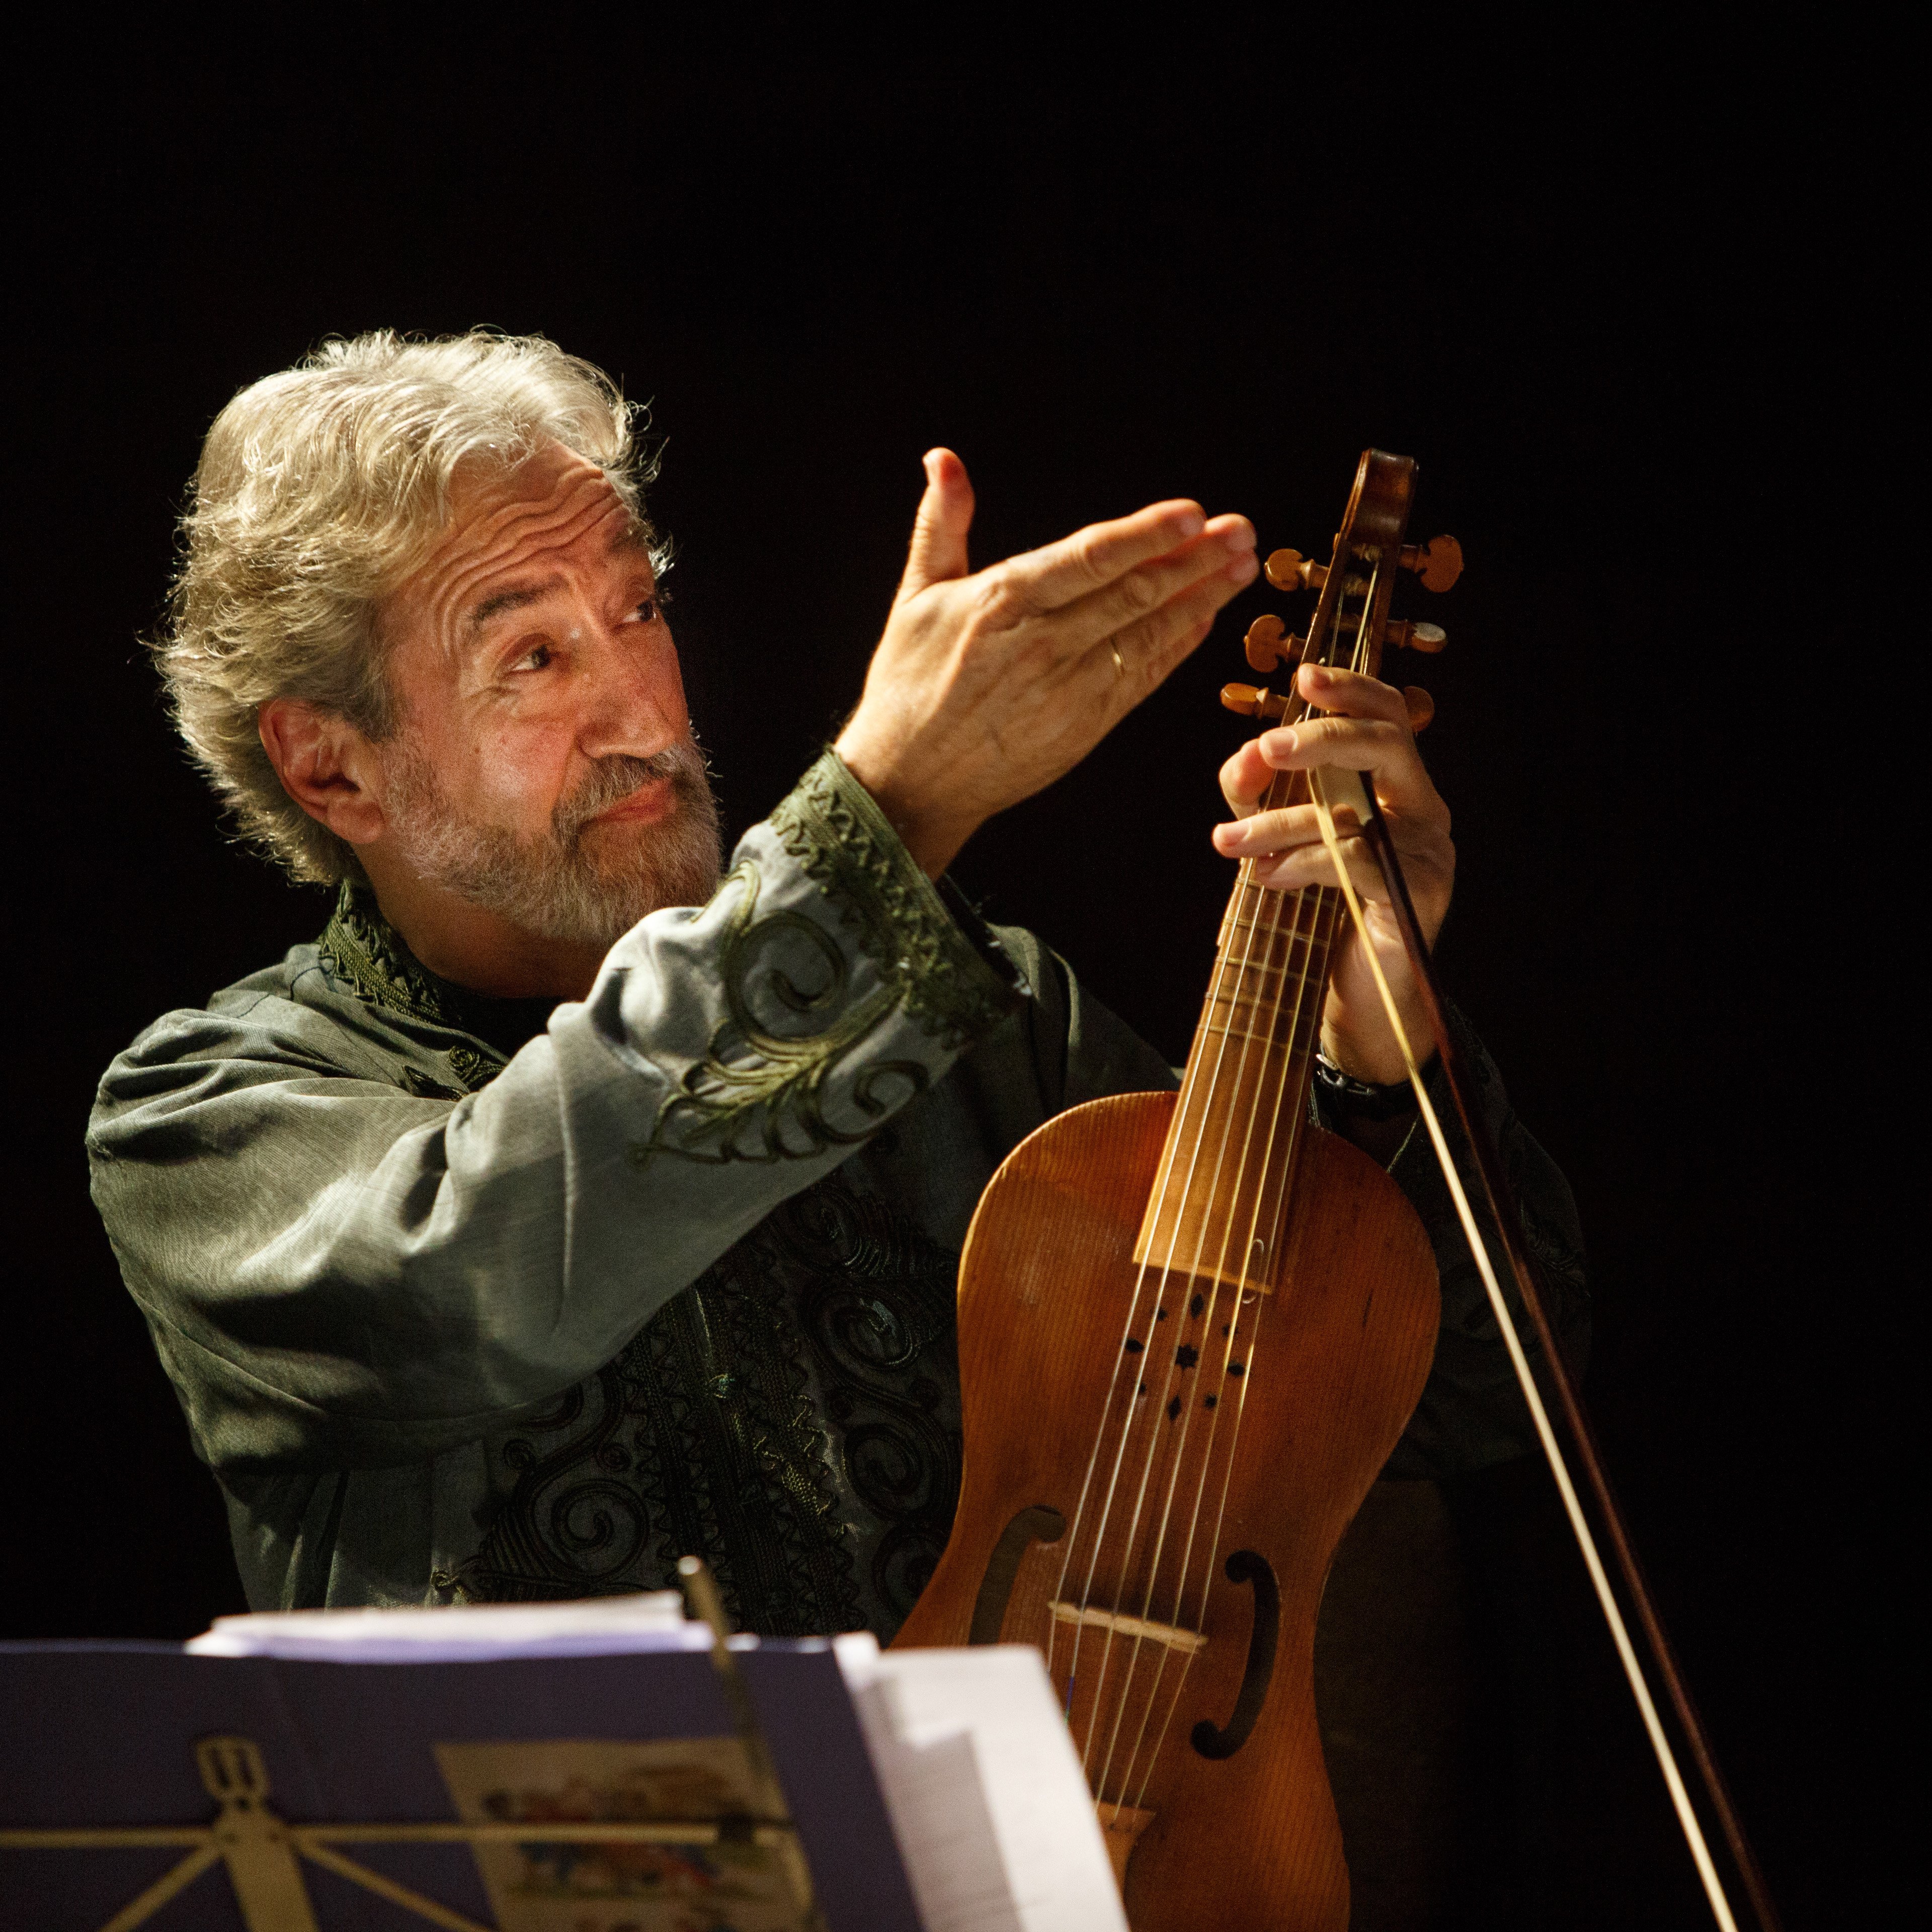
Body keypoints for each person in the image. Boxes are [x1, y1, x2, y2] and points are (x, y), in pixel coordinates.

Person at [89, 330, 1587, 1916]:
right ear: (332, 769)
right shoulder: (211, 1114)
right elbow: (464, 1280)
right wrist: (893, 815)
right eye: (530, 656)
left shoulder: (978, 1015)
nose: (640, 708)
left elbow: (1468, 1399)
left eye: (638, 608)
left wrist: (1380, 1039)